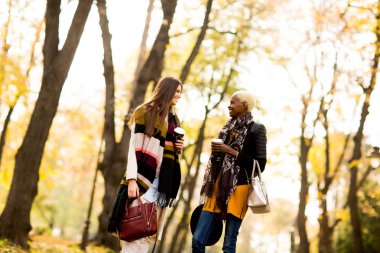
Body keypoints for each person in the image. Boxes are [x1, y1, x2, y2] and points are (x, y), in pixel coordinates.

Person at [192, 91, 267, 253]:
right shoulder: (227, 128)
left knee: (228, 244)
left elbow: (260, 165)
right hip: (217, 187)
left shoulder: (257, 129)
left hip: (239, 189)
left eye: (233, 102)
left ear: (244, 105)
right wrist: (218, 152)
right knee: (197, 239)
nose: (229, 105)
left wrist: (231, 151)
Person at [120, 77, 184, 252]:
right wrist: (131, 179)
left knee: (146, 234)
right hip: (142, 181)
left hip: (161, 185)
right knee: (133, 232)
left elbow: (168, 152)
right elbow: (132, 149)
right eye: (177, 91)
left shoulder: (174, 120)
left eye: (180, 92)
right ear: (167, 90)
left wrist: (179, 149)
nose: (179, 95)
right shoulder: (144, 113)